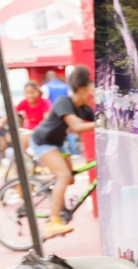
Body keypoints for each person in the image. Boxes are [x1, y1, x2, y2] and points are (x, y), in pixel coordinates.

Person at [28, 66, 96, 238]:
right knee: (64, 176)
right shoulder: (64, 102)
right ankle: (53, 221)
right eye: (91, 90)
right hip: (42, 141)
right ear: (81, 89)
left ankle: (49, 183)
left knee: (69, 178)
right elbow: (77, 127)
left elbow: (101, 117)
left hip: (57, 144)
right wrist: (103, 124)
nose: (92, 94)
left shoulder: (84, 109)